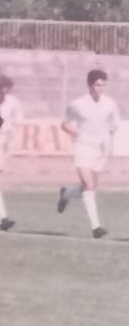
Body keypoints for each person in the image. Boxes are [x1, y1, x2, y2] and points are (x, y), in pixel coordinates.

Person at [57, 69, 117, 238]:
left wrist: (107, 136)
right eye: (98, 85)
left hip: (100, 149)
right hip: (83, 147)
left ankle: (66, 193)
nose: (101, 88)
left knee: (88, 188)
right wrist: (75, 132)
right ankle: (96, 227)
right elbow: (65, 123)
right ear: (90, 85)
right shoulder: (78, 104)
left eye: (103, 85)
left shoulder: (109, 104)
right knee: (89, 186)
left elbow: (114, 125)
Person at [0, 74, 19, 230]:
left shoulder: (12, 102)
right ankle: (3, 219)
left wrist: (10, 145)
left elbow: (16, 122)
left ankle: (3, 219)